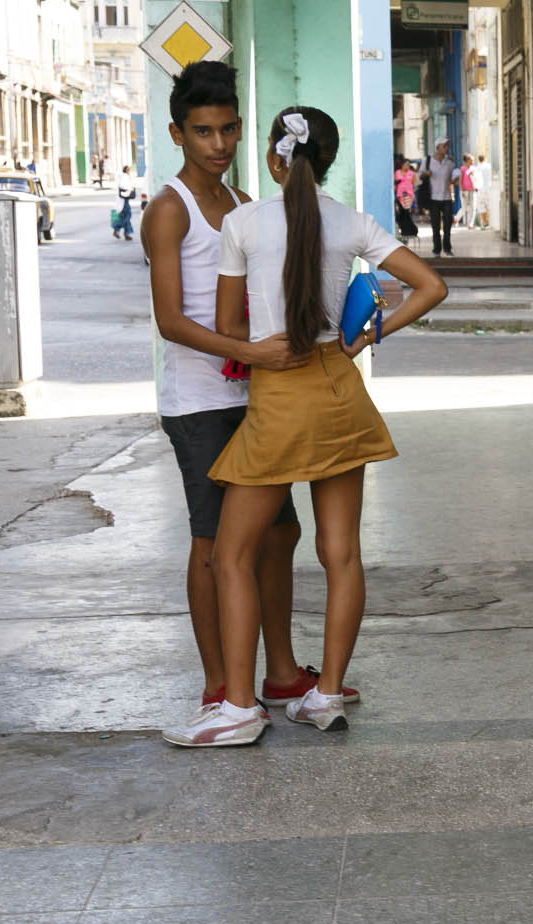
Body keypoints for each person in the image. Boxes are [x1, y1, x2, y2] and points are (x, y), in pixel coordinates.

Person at [165, 105, 446, 746]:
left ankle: (238, 706)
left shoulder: (243, 223)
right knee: (340, 554)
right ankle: (324, 696)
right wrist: (364, 338)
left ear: (273, 157)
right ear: (328, 160)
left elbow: (231, 328)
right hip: (338, 389)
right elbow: (430, 286)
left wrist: (260, 343)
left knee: (233, 555)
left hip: (278, 400)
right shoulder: (352, 222)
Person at [147, 63, 361, 748]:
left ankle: (278, 673)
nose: (218, 142)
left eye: (230, 128)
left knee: (281, 535)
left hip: (261, 397)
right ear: (177, 133)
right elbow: (171, 322)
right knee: (214, 543)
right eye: (203, 131)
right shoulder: (170, 208)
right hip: (202, 401)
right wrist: (256, 351)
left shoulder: (246, 201)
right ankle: (220, 687)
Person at [425, 137, 457, 255]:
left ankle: (447, 248)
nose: (447, 148)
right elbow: (418, 177)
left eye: (447, 146)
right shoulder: (428, 161)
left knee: (448, 225)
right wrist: (425, 174)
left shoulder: (450, 162)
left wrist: (455, 180)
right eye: (445, 146)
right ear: (438, 147)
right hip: (433, 198)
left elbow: (453, 177)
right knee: (435, 226)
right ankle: (436, 250)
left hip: (447, 198)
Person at [393, 155, 418, 238]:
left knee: (407, 213)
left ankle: (409, 230)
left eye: (408, 164)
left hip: (409, 196)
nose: (407, 166)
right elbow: (395, 183)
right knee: (401, 213)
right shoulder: (397, 173)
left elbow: (415, 183)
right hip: (400, 195)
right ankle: (404, 229)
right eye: (406, 164)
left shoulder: (411, 173)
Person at [113, 165, 138, 240]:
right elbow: (124, 187)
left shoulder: (124, 177)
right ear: (126, 170)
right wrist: (131, 189)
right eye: (129, 170)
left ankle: (126, 233)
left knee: (126, 216)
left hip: (124, 199)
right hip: (123, 200)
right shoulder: (124, 177)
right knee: (127, 215)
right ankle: (117, 229)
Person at [472, 154, 491, 228]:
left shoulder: (476, 168)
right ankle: (487, 221)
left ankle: (484, 221)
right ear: (485, 158)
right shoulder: (489, 166)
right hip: (488, 188)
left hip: (480, 189)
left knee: (481, 206)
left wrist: (475, 187)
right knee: (488, 205)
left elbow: (474, 178)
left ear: (478, 159)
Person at [458, 153, 476, 228]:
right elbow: (460, 180)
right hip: (465, 190)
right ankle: (456, 218)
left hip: (473, 190)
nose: (473, 161)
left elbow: (477, 179)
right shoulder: (463, 168)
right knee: (465, 207)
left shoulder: (474, 169)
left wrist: (473, 174)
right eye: (472, 160)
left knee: (473, 207)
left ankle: (470, 224)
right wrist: (461, 190)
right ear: (468, 160)